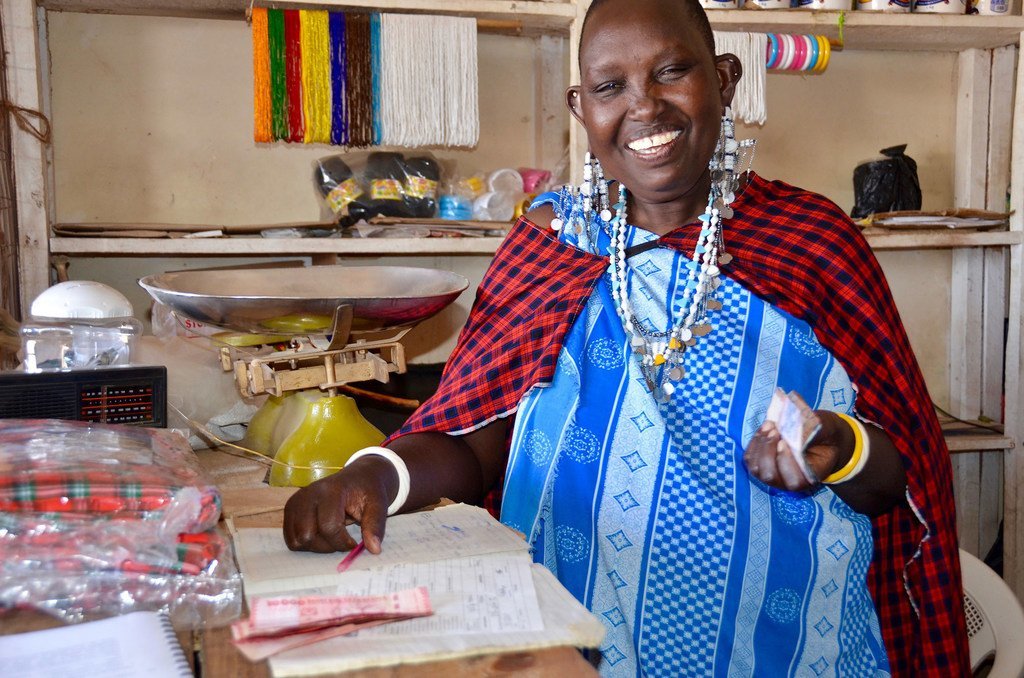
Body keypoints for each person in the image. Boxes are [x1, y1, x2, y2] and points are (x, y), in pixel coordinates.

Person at [283, 0, 970, 674]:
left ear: (724, 81)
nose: (644, 107)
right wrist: (377, 473)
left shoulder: (810, 242)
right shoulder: (551, 245)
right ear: (584, 111)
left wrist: (842, 447)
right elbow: (476, 444)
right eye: (611, 87)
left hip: (784, 655)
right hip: (568, 651)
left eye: (672, 72)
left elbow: (902, 476)